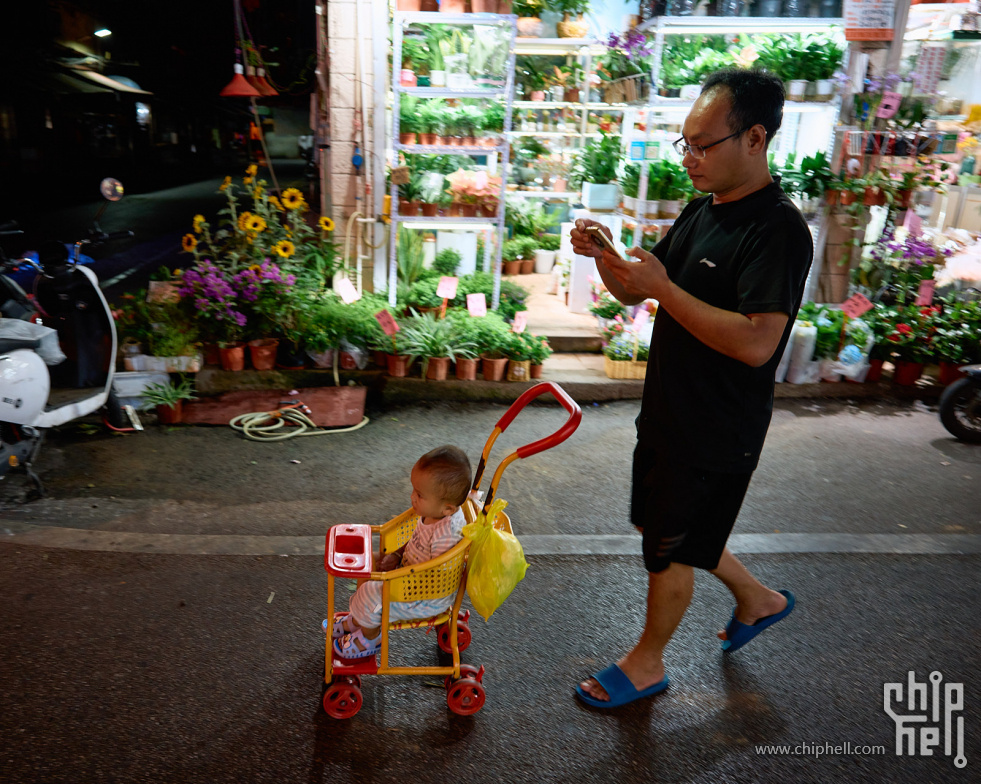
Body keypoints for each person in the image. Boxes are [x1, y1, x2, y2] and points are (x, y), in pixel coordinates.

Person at [571, 68, 812, 708]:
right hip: (670, 412)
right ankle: (758, 600)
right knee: (669, 525)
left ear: (756, 138)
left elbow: (760, 340)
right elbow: (641, 286)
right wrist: (604, 255)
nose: (691, 159)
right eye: (686, 144)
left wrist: (664, 290)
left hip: (715, 426)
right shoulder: (703, 209)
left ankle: (647, 664)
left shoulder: (777, 230)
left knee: (668, 546)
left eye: (704, 145)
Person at [328, 445, 472, 660]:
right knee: (370, 562)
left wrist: (394, 577)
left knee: (371, 593)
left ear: (448, 509)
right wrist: (396, 555)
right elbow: (415, 542)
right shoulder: (433, 513)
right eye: (414, 490)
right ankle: (359, 619)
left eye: (420, 495)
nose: (413, 497)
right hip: (409, 577)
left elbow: (435, 574)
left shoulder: (447, 534)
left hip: (426, 597)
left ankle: (369, 639)